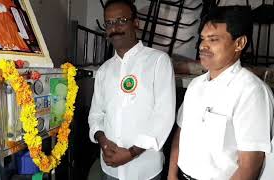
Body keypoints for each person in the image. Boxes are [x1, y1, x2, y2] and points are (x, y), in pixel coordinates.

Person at [168, 6, 274, 180]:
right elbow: (181, 133)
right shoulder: (195, 85)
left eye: (213, 39)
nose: (203, 46)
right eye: (202, 39)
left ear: (239, 43)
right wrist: (172, 175)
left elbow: (250, 166)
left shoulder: (251, 92)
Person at [88, 0, 176, 179]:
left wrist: (131, 152)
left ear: (135, 23)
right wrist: (103, 142)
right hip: (110, 169)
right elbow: (96, 115)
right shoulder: (104, 70)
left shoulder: (158, 61)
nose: (115, 28)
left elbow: (164, 115)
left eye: (121, 20)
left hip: (145, 170)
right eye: (109, 23)